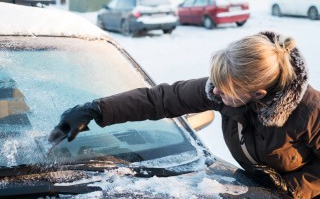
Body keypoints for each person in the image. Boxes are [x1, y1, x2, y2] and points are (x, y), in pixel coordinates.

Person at [48, 31, 320, 199]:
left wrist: (291, 187)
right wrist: (95, 109)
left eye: (223, 91)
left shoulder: (310, 110)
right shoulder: (224, 88)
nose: (213, 92)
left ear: (258, 94)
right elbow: (161, 99)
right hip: (252, 189)